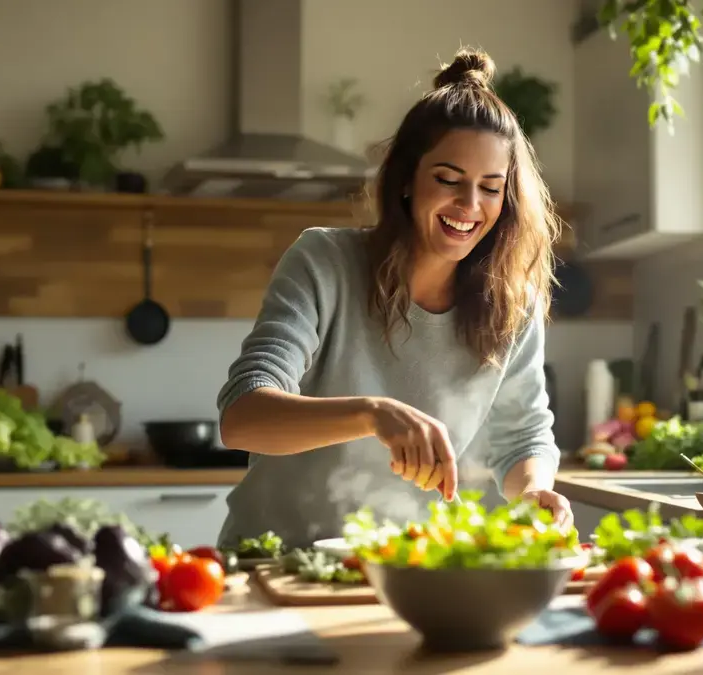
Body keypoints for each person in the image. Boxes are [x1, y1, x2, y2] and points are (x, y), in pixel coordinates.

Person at [215, 47, 572, 550]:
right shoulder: (324, 261)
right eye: (448, 180)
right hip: (274, 560)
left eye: (491, 188)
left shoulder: (512, 301)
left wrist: (535, 490)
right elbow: (242, 417)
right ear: (406, 179)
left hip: (403, 569)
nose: (469, 206)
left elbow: (523, 436)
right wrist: (372, 413)